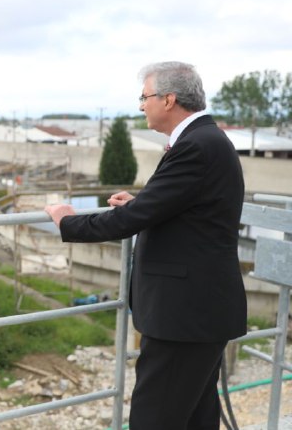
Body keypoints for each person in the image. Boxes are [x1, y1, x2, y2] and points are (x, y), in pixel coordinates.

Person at [45, 61, 246, 429]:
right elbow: (187, 208)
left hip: (183, 317)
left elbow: (129, 222)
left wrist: (67, 221)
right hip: (199, 312)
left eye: (144, 97)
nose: (141, 106)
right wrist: (142, 202)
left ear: (168, 99)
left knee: (154, 418)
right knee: (195, 417)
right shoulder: (206, 140)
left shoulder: (196, 146)